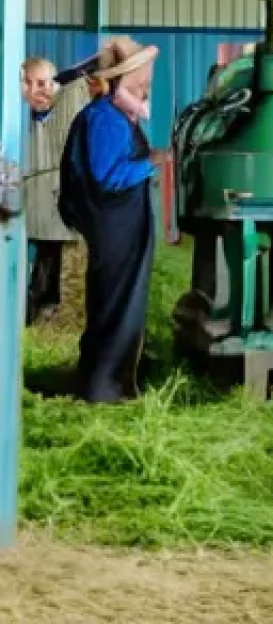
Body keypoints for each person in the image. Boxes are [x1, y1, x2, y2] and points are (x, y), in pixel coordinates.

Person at [59, 36, 159, 404]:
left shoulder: (115, 116)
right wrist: (154, 162)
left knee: (119, 301)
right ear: (117, 83)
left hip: (120, 229)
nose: (145, 90)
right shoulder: (105, 118)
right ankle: (104, 390)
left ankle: (110, 383)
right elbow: (107, 176)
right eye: (140, 85)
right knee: (116, 303)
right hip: (114, 229)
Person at [21, 54, 96, 325]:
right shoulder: (16, 120)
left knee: (51, 259)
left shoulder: (69, 111)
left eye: (43, 83)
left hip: (54, 207)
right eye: (27, 83)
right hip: (24, 206)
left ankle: (44, 315)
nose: (35, 91)